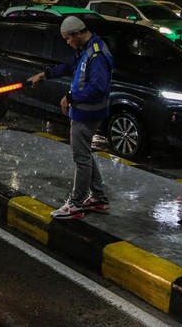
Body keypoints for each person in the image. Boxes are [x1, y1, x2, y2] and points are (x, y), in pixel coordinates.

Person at [28, 16, 113, 220]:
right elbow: (69, 67)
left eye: (68, 38)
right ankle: (98, 198)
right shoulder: (86, 49)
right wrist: (45, 74)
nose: (67, 42)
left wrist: (70, 97)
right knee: (85, 154)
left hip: (88, 113)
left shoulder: (97, 54)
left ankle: (76, 205)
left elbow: (98, 87)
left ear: (77, 33)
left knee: (81, 158)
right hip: (86, 111)